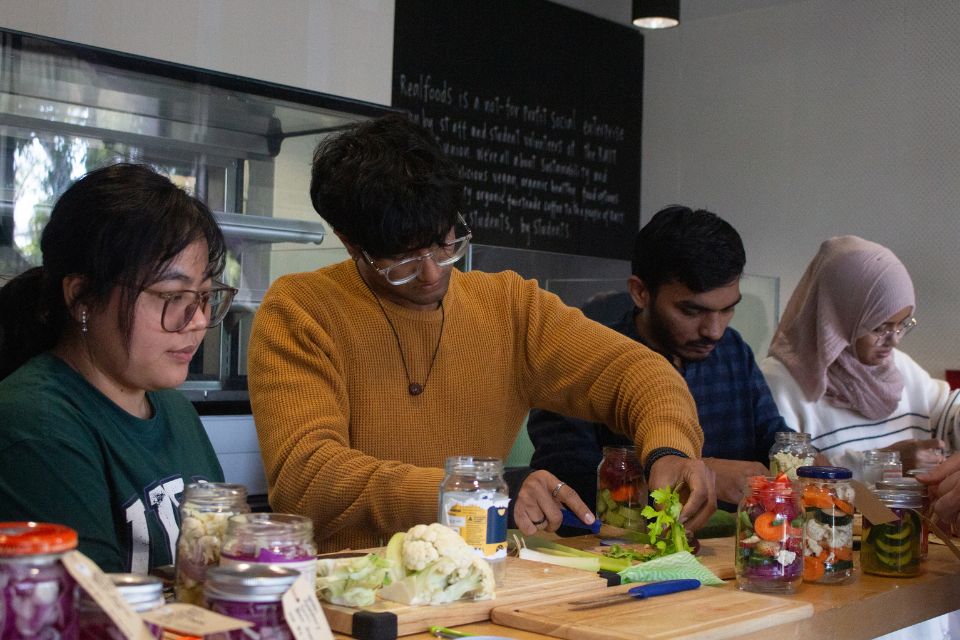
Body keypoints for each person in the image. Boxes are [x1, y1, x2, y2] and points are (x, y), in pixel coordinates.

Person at [247, 114, 715, 553]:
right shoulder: (302, 310)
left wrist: (669, 450)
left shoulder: (509, 307)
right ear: (351, 243)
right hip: (354, 591)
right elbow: (307, 478)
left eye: (444, 243)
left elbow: (640, 373)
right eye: (403, 261)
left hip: (477, 581)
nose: (431, 273)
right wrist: (475, 491)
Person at [0, 163, 234, 573]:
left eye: (204, 295)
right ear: (82, 297)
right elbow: (89, 609)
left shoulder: (173, 409)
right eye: (171, 295)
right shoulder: (35, 424)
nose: (197, 320)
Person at [528, 206, 791, 512]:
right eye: (691, 311)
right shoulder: (585, 361)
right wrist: (699, 475)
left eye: (728, 309)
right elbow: (566, 488)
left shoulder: (733, 351)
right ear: (640, 292)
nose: (715, 331)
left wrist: (806, 465)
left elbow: (774, 440)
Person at [761, 235, 958, 478]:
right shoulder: (780, 384)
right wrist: (884, 464)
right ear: (836, 319)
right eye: (879, 328)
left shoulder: (899, 367)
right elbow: (789, 480)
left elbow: (947, 413)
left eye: (902, 324)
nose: (894, 340)